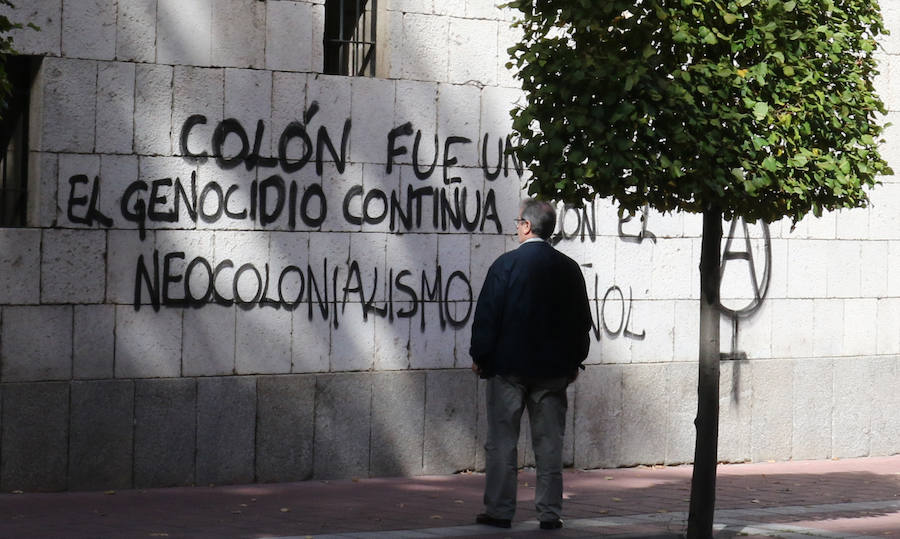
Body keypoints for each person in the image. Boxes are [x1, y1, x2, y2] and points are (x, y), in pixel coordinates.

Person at [470, 198, 592, 530]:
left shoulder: (505, 266)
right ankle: (550, 513)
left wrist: (481, 357)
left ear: (526, 226)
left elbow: (487, 317)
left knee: (502, 443)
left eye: (517, 222)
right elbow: (582, 322)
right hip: (553, 372)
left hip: (507, 368)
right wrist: (573, 363)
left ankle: (499, 510)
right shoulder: (568, 269)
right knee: (550, 445)